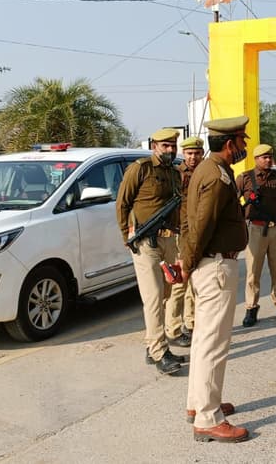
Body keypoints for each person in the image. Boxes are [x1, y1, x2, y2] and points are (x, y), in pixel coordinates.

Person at [178, 116, 251, 443]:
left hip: (210, 264)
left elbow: (189, 220)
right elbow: (201, 225)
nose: (245, 146)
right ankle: (208, 418)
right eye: (242, 141)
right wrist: (188, 264)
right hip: (216, 265)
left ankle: (199, 403)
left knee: (203, 340)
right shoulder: (217, 176)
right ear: (230, 143)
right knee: (213, 343)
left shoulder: (208, 170)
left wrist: (188, 261)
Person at [116, 128, 184, 375]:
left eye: (173, 145)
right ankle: (159, 352)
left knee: (166, 293)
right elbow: (123, 203)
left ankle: (153, 344)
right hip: (145, 242)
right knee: (154, 297)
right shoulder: (140, 169)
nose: (170, 150)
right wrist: (126, 236)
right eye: (165, 145)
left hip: (169, 240)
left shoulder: (174, 172)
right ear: (154, 146)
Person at [238, 144, 276, 327]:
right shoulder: (245, 177)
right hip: (255, 228)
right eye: (264, 157)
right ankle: (251, 307)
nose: (268, 160)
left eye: (270, 156)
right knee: (253, 271)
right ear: (256, 159)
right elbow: (233, 202)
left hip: (275, 228)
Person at [164, 136, 204, 347]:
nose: (193, 157)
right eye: (189, 153)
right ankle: (173, 329)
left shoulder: (204, 172)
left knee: (195, 282)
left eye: (196, 153)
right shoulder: (176, 175)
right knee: (179, 281)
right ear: (183, 154)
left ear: (202, 153)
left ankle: (191, 322)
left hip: (198, 233)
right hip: (180, 233)